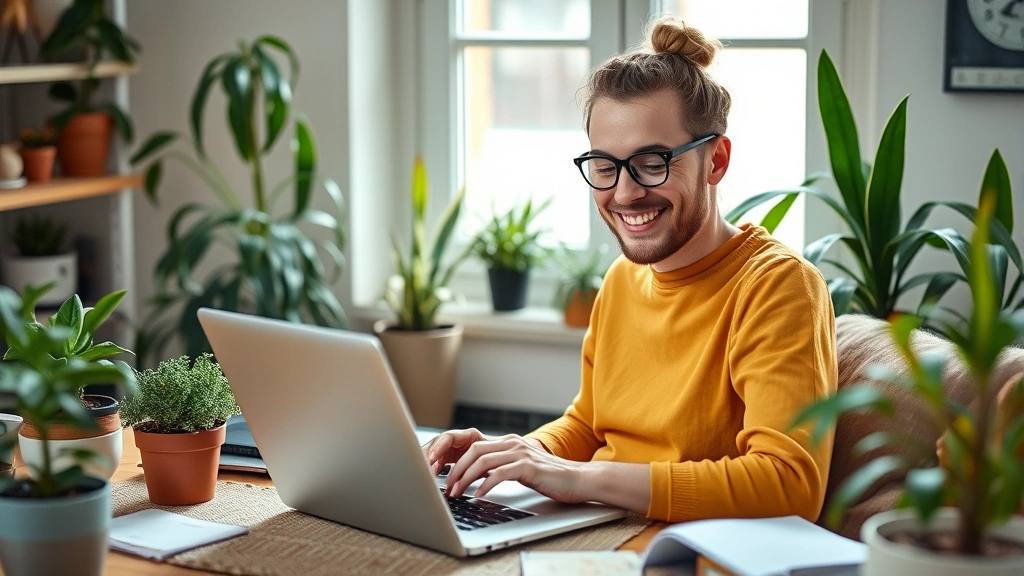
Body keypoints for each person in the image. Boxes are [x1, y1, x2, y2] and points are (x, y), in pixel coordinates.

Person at [425, 17, 837, 524]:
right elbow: (588, 425)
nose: (624, 193)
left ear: (716, 161)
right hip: (592, 532)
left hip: (674, 549)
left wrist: (580, 480)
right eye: (605, 165)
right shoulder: (622, 278)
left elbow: (788, 484)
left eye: (652, 162)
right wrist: (509, 455)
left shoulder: (778, 286)